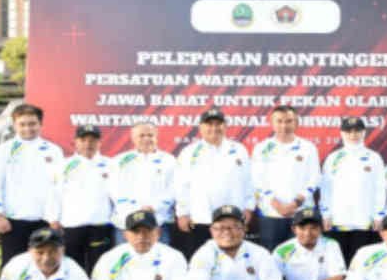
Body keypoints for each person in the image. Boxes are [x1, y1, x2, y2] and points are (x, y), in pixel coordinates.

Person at [0, 103, 63, 268]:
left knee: (44, 266)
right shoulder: (3, 150)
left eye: (32, 124)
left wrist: (55, 218)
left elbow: (58, 187)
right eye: (22, 124)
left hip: (44, 220)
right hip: (13, 221)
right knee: (12, 266)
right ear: (14, 125)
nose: (28, 128)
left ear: (40, 124)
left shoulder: (54, 151)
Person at [174, 108, 253, 260]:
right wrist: (182, 213)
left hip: (233, 218)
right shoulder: (189, 152)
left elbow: (249, 181)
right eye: (209, 124)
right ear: (201, 127)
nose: (214, 128)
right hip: (201, 218)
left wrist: (249, 207)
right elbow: (181, 186)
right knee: (201, 260)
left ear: (225, 126)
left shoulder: (238, 150)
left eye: (218, 124)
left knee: (233, 259)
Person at [46, 125, 114, 275]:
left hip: (101, 224)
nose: (88, 144)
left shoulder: (111, 165)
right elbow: (54, 195)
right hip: (72, 225)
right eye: (83, 140)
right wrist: (53, 220)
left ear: (99, 143)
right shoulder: (64, 166)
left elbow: (118, 195)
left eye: (92, 140)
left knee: (100, 269)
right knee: (73, 268)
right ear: (75, 142)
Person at [251, 105, 321, 250]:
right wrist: (275, 203)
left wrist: (296, 203)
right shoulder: (262, 148)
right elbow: (257, 180)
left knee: (301, 259)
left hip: (302, 214)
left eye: (289, 121)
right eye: (279, 121)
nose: (284, 125)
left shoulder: (308, 147)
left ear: (296, 122)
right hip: (271, 213)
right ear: (272, 123)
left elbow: (314, 178)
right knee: (271, 259)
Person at [320, 117, 386, 262]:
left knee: (360, 262)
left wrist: (378, 215)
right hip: (338, 219)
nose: (353, 135)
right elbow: (326, 189)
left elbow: (380, 189)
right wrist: (325, 214)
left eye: (357, 131)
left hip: (364, 220)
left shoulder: (374, 158)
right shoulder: (333, 158)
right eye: (348, 131)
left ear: (364, 132)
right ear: (342, 133)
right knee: (339, 262)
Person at [109, 123, 177, 247]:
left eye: (150, 135)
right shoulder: (120, 161)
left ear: (156, 136)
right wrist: (135, 211)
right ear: (133, 138)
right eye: (141, 135)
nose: (146, 139)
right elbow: (114, 190)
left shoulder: (169, 161)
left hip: (158, 222)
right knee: (126, 263)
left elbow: (173, 190)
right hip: (126, 224)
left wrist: (154, 207)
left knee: (159, 261)